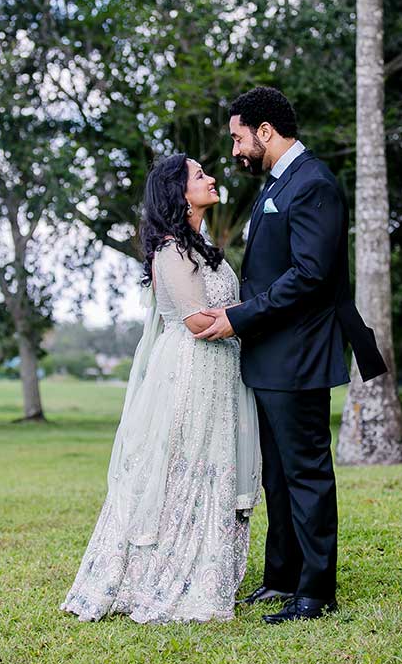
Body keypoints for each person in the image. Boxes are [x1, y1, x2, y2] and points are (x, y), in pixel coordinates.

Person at [195, 86, 388, 623]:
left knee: (305, 474)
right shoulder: (275, 185)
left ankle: (316, 592)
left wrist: (238, 317)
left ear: (264, 131)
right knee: (275, 476)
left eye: (238, 139)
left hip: (299, 355)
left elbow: (310, 275)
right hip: (270, 354)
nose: (234, 152)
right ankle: (280, 577)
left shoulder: (314, 184)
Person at [61, 154, 262, 624]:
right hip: (191, 373)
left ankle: (204, 569)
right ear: (178, 192)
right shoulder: (172, 250)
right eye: (199, 175)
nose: (211, 178)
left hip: (219, 371)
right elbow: (195, 321)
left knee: (214, 465)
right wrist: (251, 315)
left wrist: (238, 314)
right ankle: (160, 575)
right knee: (182, 469)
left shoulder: (201, 244)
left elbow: (217, 311)